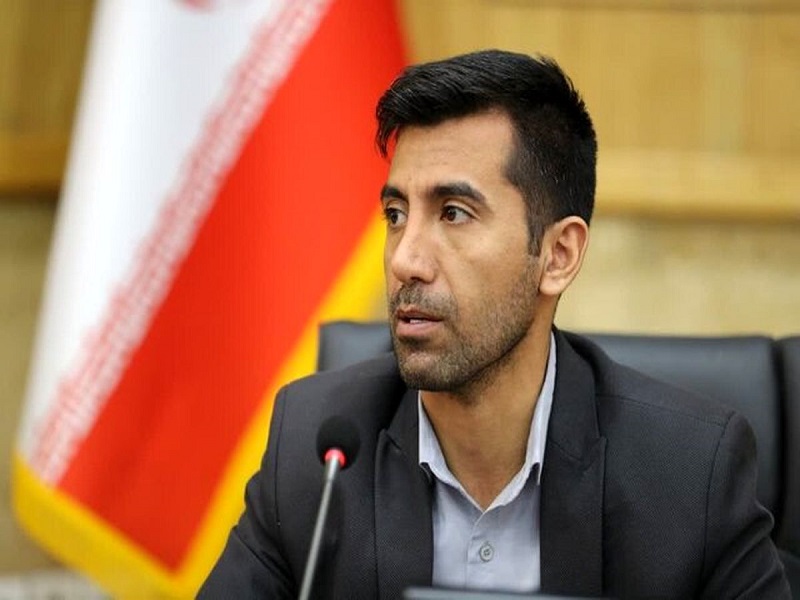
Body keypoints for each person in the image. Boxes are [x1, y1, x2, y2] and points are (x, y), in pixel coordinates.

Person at [198, 50, 790, 598]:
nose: (405, 258)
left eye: (454, 213)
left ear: (557, 256)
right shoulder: (319, 453)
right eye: (396, 214)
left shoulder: (689, 473)